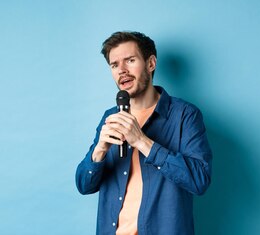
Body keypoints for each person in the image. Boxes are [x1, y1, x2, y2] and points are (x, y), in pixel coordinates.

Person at [75, 31, 212, 235]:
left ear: (151, 64)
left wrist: (142, 141)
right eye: (114, 65)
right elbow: (84, 185)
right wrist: (99, 150)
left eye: (130, 60)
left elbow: (199, 180)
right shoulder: (110, 117)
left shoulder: (185, 115)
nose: (121, 70)